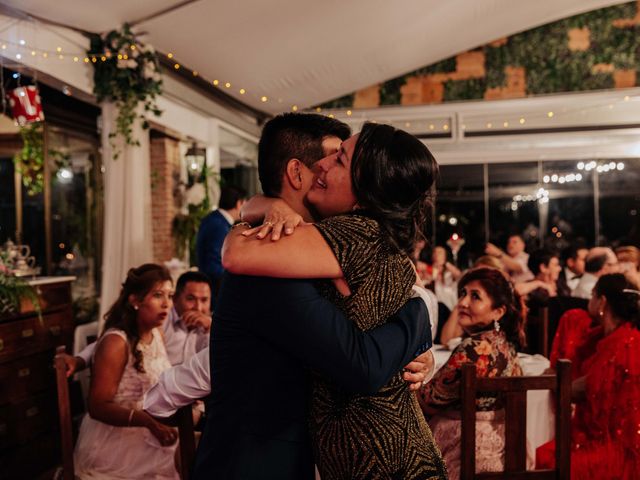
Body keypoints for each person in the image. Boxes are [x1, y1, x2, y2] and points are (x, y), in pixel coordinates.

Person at [192, 113, 438, 480]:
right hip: (256, 466)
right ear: (295, 173)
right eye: (330, 156)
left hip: (376, 459)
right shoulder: (270, 265)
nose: (325, 166)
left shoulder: (333, 246)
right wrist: (417, 318)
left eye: (338, 159)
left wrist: (419, 349)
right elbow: (362, 364)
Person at [418, 267, 528, 479]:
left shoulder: (474, 348)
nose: (463, 302)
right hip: (505, 448)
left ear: (498, 311)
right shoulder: (505, 344)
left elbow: (427, 400)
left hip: (464, 448)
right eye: (463, 293)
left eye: (475, 296)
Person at [74, 264, 179, 479]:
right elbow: (97, 407)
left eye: (170, 295)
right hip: (118, 442)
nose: (167, 304)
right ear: (135, 300)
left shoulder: (157, 333)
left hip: (151, 429)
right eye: (158, 295)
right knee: (189, 460)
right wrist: (149, 422)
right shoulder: (116, 342)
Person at [536, 273, 640, 479]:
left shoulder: (623, 345)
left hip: (615, 448)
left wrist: (555, 382)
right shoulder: (613, 337)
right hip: (610, 439)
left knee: (544, 457)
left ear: (602, 302)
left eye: (592, 295)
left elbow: (581, 392)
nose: (588, 302)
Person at [61, 271, 212, 375]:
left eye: (204, 300)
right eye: (191, 299)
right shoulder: (160, 319)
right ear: (176, 298)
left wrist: (212, 328)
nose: (198, 307)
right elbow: (114, 342)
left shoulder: (212, 326)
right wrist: (79, 361)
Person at [195, 185, 246, 305]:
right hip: (214, 289)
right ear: (239, 204)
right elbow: (214, 263)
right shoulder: (219, 225)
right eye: (245, 203)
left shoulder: (214, 219)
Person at [430, 246, 462, 311]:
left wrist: (445, 264)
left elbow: (460, 276)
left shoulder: (449, 271)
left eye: (439, 252)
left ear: (445, 256)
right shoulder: (429, 270)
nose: (436, 254)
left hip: (450, 306)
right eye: (435, 252)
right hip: (436, 308)